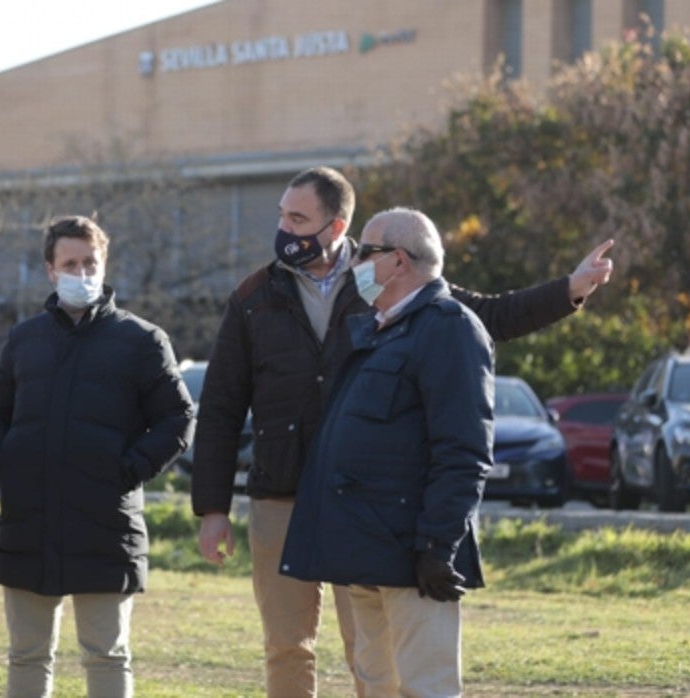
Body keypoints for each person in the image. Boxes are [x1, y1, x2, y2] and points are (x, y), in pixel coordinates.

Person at [190, 166, 615, 697]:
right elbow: (222, 407)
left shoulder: (388, 279)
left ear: (336, 226)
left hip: (358, 500)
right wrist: (213, 508)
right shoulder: (254, 296)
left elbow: (487, 315)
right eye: (282, 216)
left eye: (298, 219)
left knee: (369, 648)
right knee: (287, 644)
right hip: (281, 487)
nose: (284, 230)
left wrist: (569, 289)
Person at [0, 215, 194, 698]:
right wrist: (2, 461)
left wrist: (127, 471)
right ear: (50, 270)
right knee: (27, 654)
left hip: (106, 523)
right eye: (70, 264)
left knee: (106, 654)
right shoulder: (24, 339)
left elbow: (178, 418)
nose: (81, 273)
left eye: (90, 263)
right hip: (29, 520)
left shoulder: (141, 340)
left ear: (105, 264)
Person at [280, 207, 495, 696]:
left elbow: (464, 450)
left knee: (425, 686)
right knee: (376, 683)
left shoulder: (449, 327)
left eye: (364, 252)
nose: (353, 261)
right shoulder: (380, 328)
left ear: (398, 260)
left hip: (413, 556)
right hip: (366, 550)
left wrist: (438, 546)